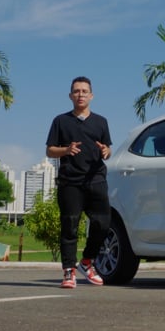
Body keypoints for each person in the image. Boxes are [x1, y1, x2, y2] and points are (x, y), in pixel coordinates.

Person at [46, 76, 112, 289]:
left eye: (84, 91)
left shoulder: (101, 122)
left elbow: (108, 150)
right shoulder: (60, 121)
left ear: (91, 95)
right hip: (70, 182)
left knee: (103, 224)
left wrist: (106, 151)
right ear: (70, 96)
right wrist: (66, 150)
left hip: (96, 180)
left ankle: (87, 262)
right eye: (76, 91)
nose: (80, 94)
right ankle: (68, 272)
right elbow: (49, 150)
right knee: (70, 226)